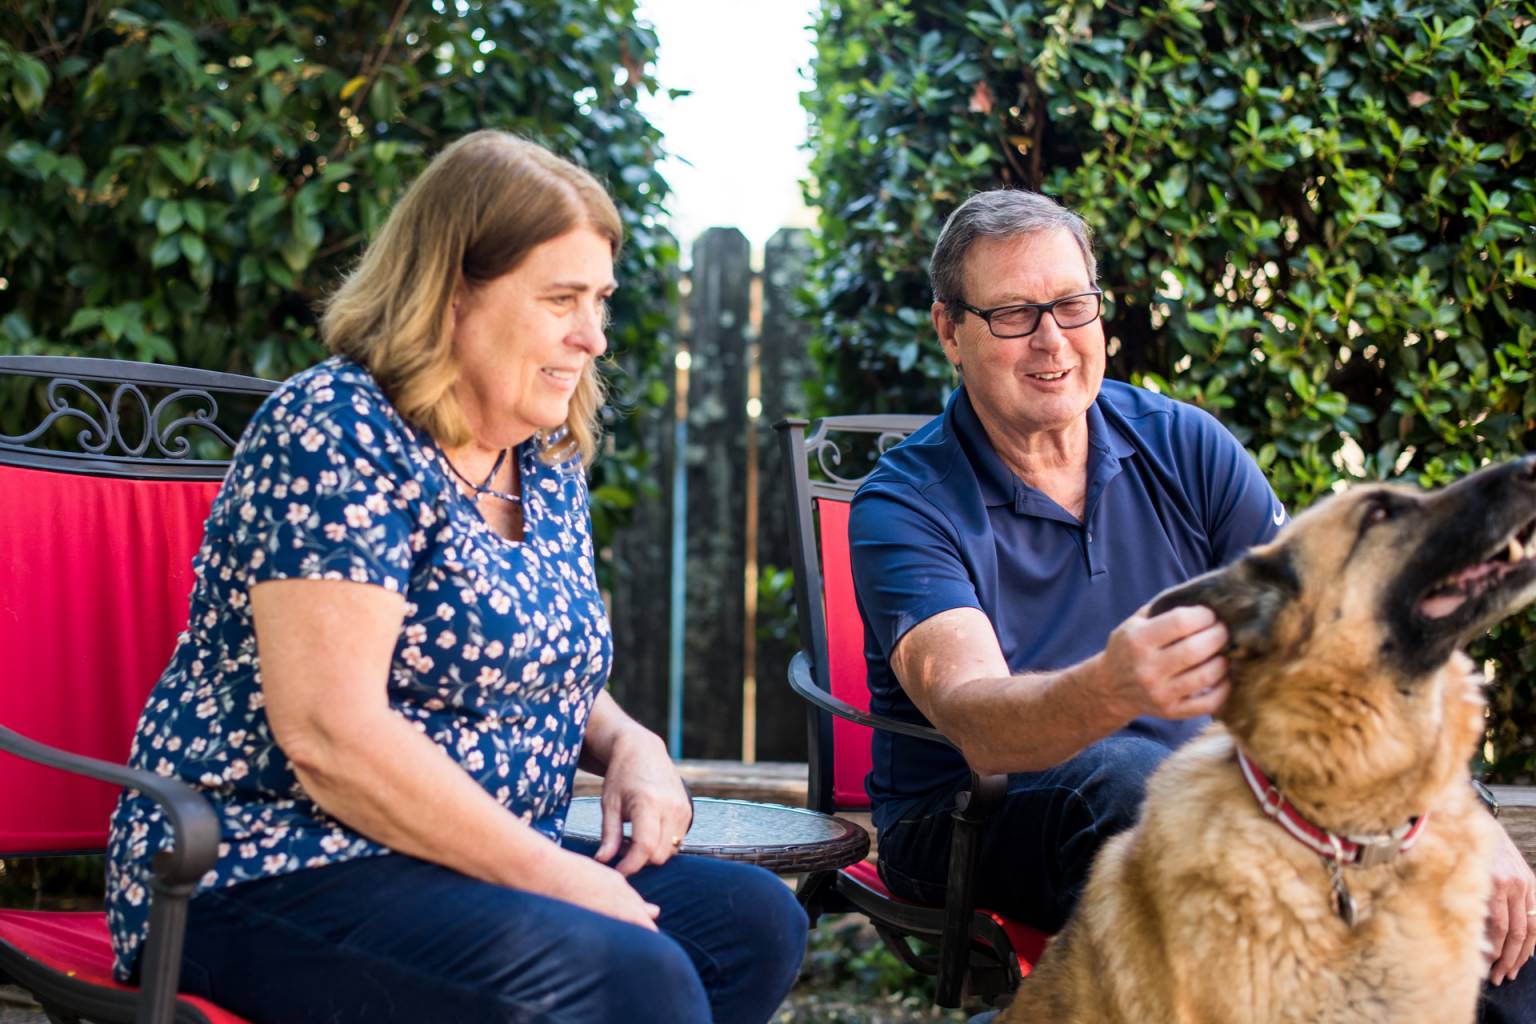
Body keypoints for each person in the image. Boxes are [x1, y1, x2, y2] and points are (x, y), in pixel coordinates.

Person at [105, 130, 808, 1024]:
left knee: (755, 924)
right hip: (267, 865)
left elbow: (530, 657)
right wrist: (556, 876)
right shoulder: (337, 429)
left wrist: (633, 745)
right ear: (449, 294)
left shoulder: (542, 455)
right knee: (635, 978)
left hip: (459, 858)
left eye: (600, 300)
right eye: (561, 298)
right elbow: (332, 733)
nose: (592, 336)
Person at [848, 187, 1536, 1021]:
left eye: (1072, 305)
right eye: (1013, 315)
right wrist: (1114, 686)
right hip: (971, 814)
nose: (1053, 342)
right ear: (949, 331)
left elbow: (1334, 636)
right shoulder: (906, 503)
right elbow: (977, 722)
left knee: (1498, 940)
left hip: (1213, 791)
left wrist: (1460, 814)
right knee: (1136, 783)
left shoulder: (1184, 443)